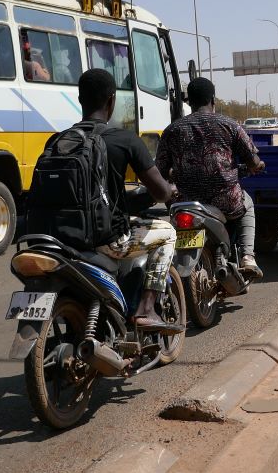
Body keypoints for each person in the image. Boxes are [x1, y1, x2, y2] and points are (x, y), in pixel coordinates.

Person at [78, 68, 183, 332]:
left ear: (80, 99)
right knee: (167, 232)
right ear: (111, 101)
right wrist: (170, 190)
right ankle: (146, 310)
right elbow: (159, 192)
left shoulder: (60, 140)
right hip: (105, 239)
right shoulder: (123, 139)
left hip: (62, 237)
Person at [157, 77, 266, 278]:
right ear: (213, 100)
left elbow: (161, 170)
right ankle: (247, 256)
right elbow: (252, 160)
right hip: (226, 200)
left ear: (189, 102)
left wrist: (177, 172)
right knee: (247, 203)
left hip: (186, 201)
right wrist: (257, 166)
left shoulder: (172, 130)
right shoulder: (229, 125)